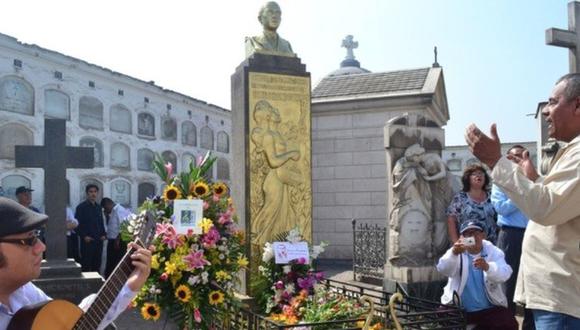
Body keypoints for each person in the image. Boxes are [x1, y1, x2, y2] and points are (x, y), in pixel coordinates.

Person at [465, 73, 580, 328]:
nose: (547, 111)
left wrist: (497, 163)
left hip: (562, 300)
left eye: (553, 101)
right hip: (553, 296)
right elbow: (557, 203)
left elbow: (545, 207)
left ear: (577, 105)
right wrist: (536, 180)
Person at [0, 197, 152, 329]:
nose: (41, 246)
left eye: (37, 235)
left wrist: (130, 284)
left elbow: (74, 324)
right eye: (29, 239)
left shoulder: (23, 291)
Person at [437, 220, 517, 329]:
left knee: (509, 322)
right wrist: (453, 254)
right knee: (443, 316)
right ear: (462, 237)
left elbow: (505, 274)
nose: (472, 237)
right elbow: (442, 269)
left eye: (476, 233)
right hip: (460, 308)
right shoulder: (456, 250)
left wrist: (488, 267)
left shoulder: (493, 251)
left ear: (483, 235)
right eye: (468, 234)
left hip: (488, 309)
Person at [490, 145, 534, 329]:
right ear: (508, 158)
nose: (520, 159)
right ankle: (507, 323)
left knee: (532, 280)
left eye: (524, 156)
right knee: (508, 280)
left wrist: (528, 185)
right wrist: (521, 191)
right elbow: (502, 208)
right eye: (516, 156)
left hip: (531, 235)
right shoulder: (500, 183)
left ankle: (530, 325)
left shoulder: (533, 180)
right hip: (511, 235)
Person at [250, 100, 302, 246]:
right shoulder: (268, 136)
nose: (277, 112)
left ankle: (279, 251)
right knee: (271, 215)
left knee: (283, 216)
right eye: (273, 110)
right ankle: (263, 248)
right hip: (274, 180)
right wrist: (291, 154)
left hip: (281, 177)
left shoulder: (276, 134)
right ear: (267, 116)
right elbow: (273, 161)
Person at [446, 164, 498, 244]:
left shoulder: (492, 196)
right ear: (468, 178)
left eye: (481, 173)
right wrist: (456, 242)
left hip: (491, 243)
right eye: (474, 174)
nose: (478, 176)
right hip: (469, 243)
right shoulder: (460, 197)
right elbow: (451, 220)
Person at [75, 184, 106, 273]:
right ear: (87, 193)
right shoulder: (81, 207)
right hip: (87, 242)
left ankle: (97, 286)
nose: (93, 194)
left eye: (95, 192)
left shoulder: (98, 207)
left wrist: (103, 234)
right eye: (91, 192)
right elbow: (77, 225)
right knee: (86, 265)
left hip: (98, 241)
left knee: (97, 265)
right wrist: (84, 236)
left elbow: (101, 223)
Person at [101, 198, 133, 279]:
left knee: (116, 263)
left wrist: (118, 239)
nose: (105, 210)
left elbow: (124, 225)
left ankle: (115, 280)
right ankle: (108, 279)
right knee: (110, 263)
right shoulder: (113, 212)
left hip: (118, 241)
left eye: (105, 208)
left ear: (109, 204)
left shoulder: (119, 210)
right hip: (112, 241)